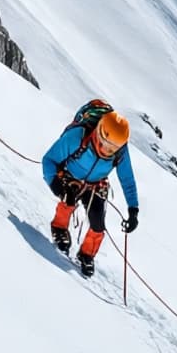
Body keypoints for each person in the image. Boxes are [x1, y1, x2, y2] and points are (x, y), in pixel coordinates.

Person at [42, 105, 140, 277]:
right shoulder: (78, 137)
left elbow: (127, 179)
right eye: (106, 144)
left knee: (98, 222)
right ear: (99, 132)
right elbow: (49, 160)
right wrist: (57, 186)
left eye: (113, 149)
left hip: (96, 183)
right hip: (70, 174)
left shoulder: (121, 151)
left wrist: (133, 210)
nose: (107, 151)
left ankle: (87, 255)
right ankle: (59, 229)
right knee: (68, 199)